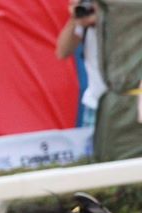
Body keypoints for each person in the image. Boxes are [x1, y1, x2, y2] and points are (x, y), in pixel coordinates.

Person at [56, 0, 107, 129]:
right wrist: (74, 18)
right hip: (95, 104)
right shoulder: (85, 20)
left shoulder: (124, 16)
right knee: (94, 149)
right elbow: (62, 52)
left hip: (130, 102)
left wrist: (101, 17)